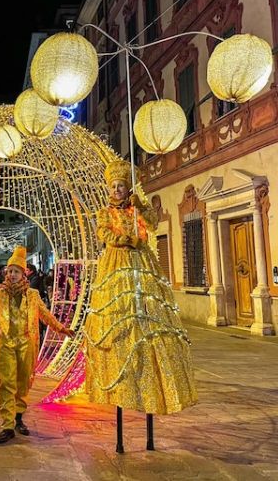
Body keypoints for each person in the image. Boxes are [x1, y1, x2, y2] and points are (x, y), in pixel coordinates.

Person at [85, 160, 197, 424]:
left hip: (142, 262)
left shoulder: (136, 209)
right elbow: (103, 233)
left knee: (147, 308)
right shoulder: (104, 212)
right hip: (116, 263)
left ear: (127, 187)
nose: (117, 190)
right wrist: (124, 239)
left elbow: (153, 224)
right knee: (118, 311)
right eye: (113, 186)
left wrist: (142, 206)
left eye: (121, 186)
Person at [0, 246, 75, 444]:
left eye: (16, 271)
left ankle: (19, 418)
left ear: (24, 273)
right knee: (7, 383)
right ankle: (7, 425)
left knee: (23, 382)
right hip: (5, 343)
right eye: (9, 271)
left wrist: (61, 329)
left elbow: (45, 315)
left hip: (27, 343)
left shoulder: (32, 295)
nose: (12, 275)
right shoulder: (0, 294)